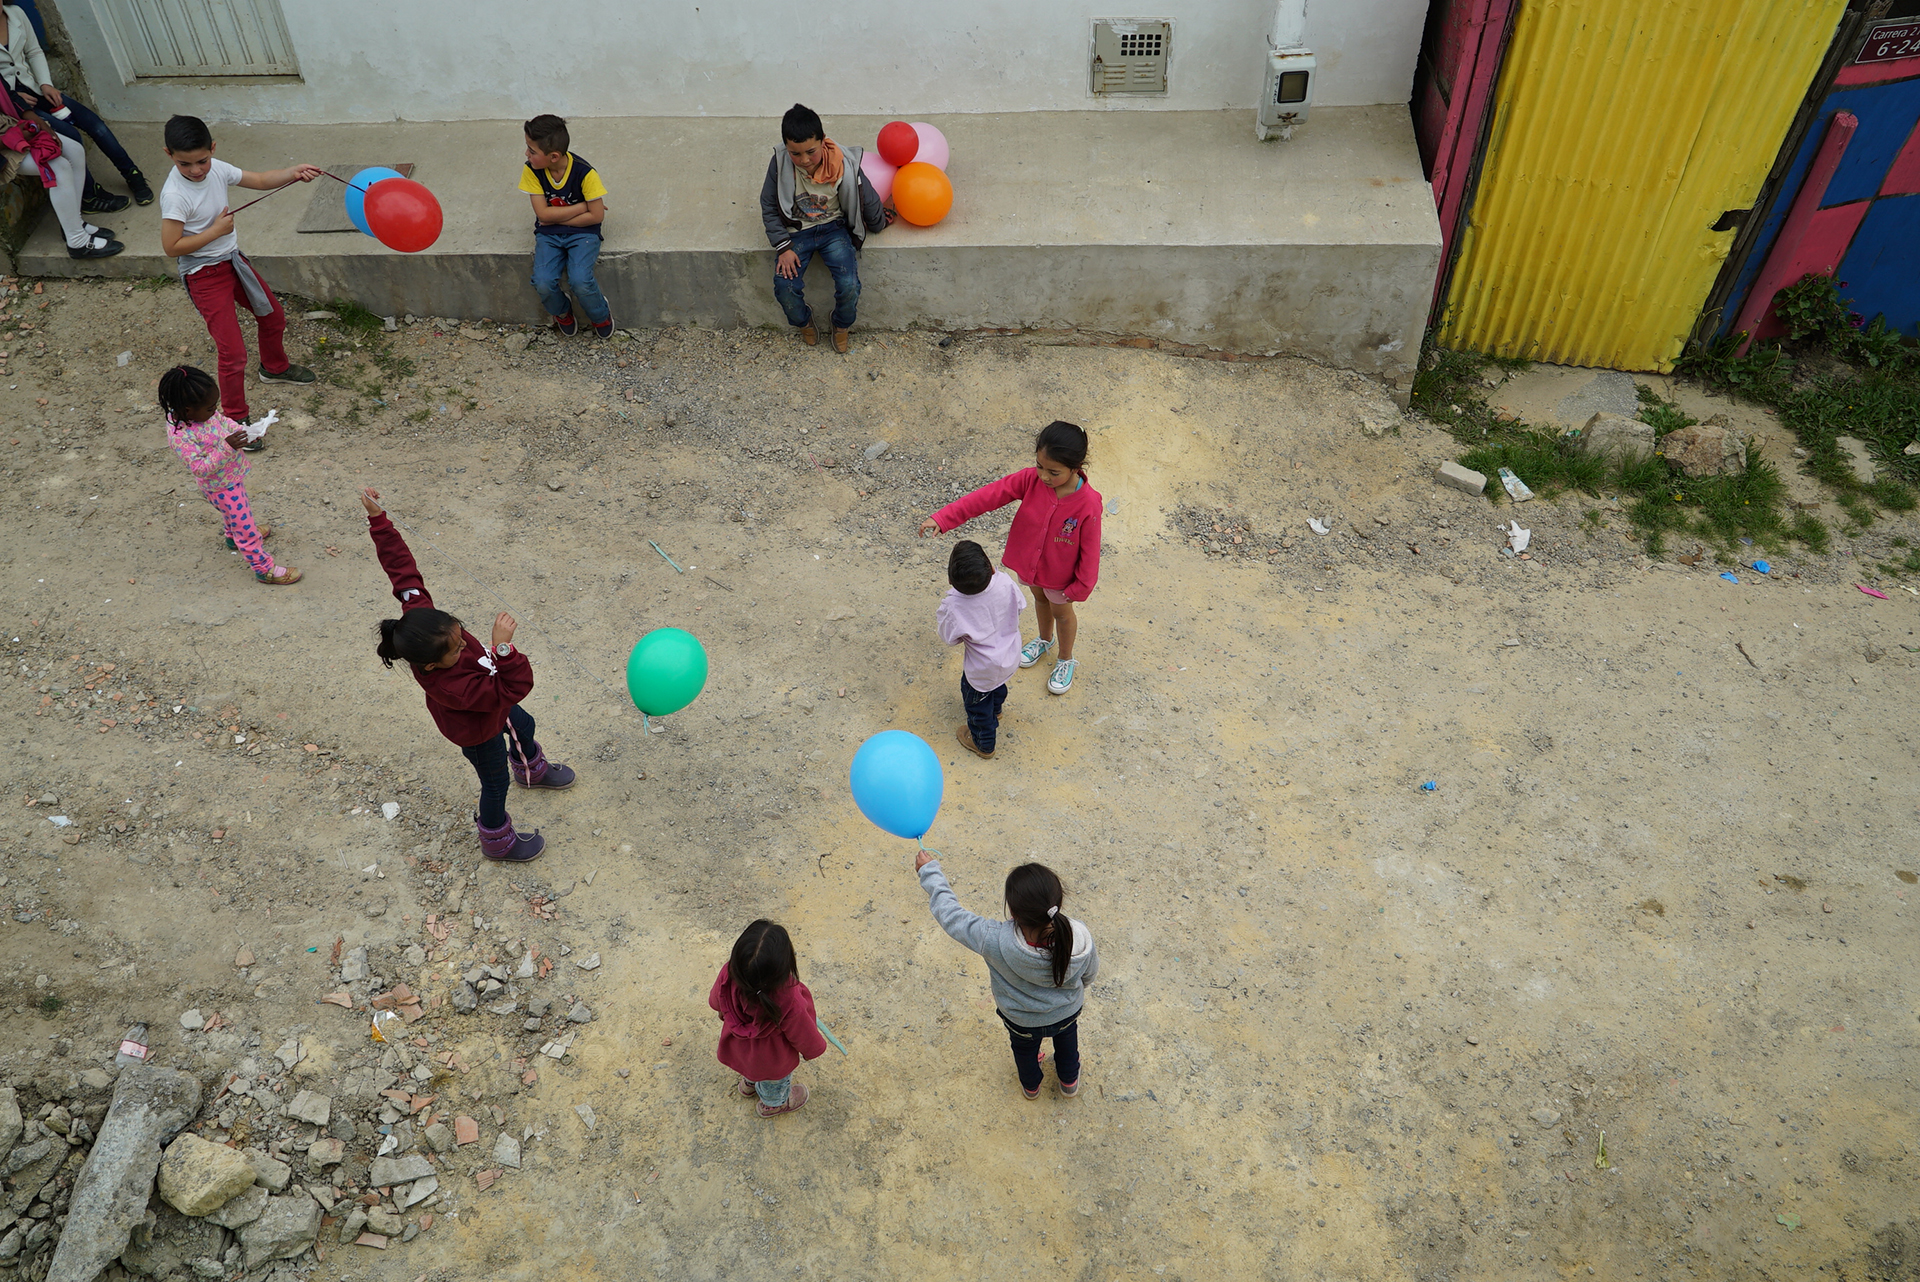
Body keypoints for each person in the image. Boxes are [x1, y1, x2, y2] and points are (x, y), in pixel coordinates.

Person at [361, 487, 576, 863]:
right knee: (493, 784)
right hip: (479, 729)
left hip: (494, 707)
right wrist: (503, 649)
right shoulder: (453, 686)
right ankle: (498, 842)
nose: (465, 646)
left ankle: (530, 770)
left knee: (524, 725)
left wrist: (379, 520)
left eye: (461, 636)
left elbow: (401, 568)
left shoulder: (422, 621)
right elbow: (514, 687)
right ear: (430, 665)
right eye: (458, 649)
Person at [917, 421, 1102, 696]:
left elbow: (1090, 549)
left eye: (1054, 472)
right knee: (1040, 599)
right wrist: (944, 518)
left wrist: (1081, 586)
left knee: (1062, 614)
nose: (1043, 476)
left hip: (1061, 579)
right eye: (1039, 466)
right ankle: (1043, 639)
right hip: (1031, 568)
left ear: (1077, 468)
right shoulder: (1029, 480)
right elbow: (987, 497)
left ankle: (1065, 659)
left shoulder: (1089, 503)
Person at [159, 114, 319, 425]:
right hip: (203, 275)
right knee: (233, 354)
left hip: (232, 261)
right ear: (169, 156)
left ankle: (274, 368)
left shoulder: (217, 169)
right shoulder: (175, 195)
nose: (195, 170)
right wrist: (214, 232)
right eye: (184, 164)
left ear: (213, 149)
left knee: (273, 318)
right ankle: (235, 418)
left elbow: (258, 180)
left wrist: (292, 172)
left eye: (202, 161)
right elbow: (171, 247)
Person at [915, 855, 1097, 1100]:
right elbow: (1089, 975)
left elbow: (951, 916)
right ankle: (1069, 1082)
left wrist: (929, 871)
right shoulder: (1079, 937)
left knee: (1024, 1052)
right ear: (1058, 903)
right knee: (1067, 1043)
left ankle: (1031, 1088)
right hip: (1066, 1014)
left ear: (1013, 911)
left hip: (1020, 1021)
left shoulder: (992, 939)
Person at [758, 102, 890, 353]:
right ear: (786, 147)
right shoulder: (779, 163)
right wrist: (783, 246)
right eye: (795, 153)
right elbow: (768, 204)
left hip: (834, 229)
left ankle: (840, 324)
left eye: (811, 151)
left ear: (823, 141)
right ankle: (803, 321)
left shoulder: (844, 163)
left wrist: (878, 222)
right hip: (797, 232)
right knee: (785, 286)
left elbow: (867, 195)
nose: (804, 160)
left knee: (849, 285)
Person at [157, 365, 299, 586]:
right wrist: (227, 446)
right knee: (246, 529)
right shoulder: (180, 435)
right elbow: (200, 468)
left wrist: (243, 433)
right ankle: (264, 569)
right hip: (220, 487)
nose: (215, 411)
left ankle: (233, 537)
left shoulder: (204, 414)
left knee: (233, 515)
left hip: (231, 477)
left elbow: (223, 422)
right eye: (210, 408)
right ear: (187, 410)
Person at [0, 3, 152, 210]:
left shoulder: (16, 13)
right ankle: (88, 196)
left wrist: (46, 84)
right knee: (70, 137)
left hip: (35, 88)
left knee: (95, 124)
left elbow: (34, 51)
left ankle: (132, 173)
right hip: (14, 107)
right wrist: (13, 98)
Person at [708, 920, 828, 1118]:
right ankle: (773, 1105)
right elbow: (803, 1034)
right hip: (772, 1059)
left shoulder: (728, 973)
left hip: (740, 1048)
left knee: (748, 1064)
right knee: (775, 1082)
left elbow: (716, 1001)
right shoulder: (788, 998)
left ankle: (749, 1085)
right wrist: (813, 1049)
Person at [0, 78, 117, 257]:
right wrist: (19, 137)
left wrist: (43, 126)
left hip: (13, 127)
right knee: (58, 167)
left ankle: (73, 225)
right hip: (6, 144)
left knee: (75, 150)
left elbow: (11, 97)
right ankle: (77, 242)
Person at [518, 114, 612, 339]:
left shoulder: (585, 173)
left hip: (583, 234)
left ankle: (600, 315)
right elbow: (542, 214)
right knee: (542, 282)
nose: (527, 154)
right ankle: (561, 311)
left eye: (532, 151)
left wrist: (553, 217)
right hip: (549, 235)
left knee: (580, 280)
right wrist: (582, 207)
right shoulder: (531, 170)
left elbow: (596, 216)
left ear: (553, 156)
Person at [938, 539, 1025, 759]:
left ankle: (984, 744)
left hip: (981, 670)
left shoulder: (954, 606)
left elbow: (949, 638)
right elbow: (1021, 605)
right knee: (998, 687)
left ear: (950, 580)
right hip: (1009, 655)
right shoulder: (1004, 582)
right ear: (992, 568)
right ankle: (997, 710)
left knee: (977, 705)